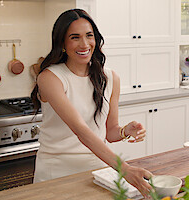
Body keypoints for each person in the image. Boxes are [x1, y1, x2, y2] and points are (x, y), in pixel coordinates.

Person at [31, 8, 152, 197]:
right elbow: (81, 131)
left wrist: (125, 131)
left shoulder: (110, 78)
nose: (84, 44)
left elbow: (109, 132)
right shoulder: (50, 78)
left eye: (89, 35)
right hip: (56, 171)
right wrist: (125, 168)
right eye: (74, 37)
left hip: (98, 170)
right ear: (62, 42)